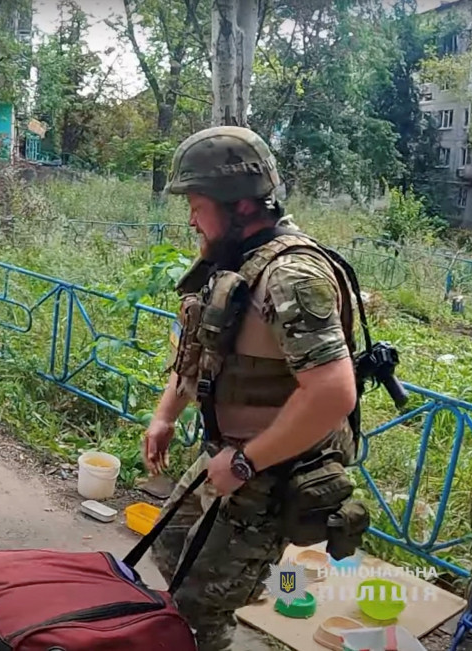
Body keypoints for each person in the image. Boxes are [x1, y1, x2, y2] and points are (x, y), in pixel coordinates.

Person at [140, 126, 365, 651]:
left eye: (197, 205)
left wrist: (246, 462)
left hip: (269, 470)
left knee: (200, 600)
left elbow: (333, 393)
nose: (191, 218)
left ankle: (209, 632)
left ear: (240, 206)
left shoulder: (292, 276)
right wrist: (166, 414)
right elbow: (203, 351)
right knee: (170, 542)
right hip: (229, 454)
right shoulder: (236, 261)